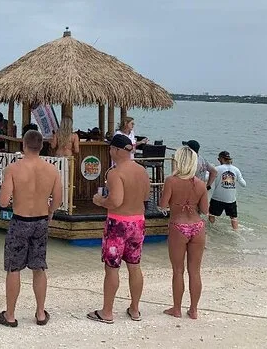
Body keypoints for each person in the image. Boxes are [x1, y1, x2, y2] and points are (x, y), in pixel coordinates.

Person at [0, 130, 63, 327]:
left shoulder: (13, 169)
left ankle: (10, 315)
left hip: (20, 221)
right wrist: (50, 211)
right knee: (39, 267)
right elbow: (58, 200)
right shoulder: (52, 170)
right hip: (41, 221)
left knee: (14, 268)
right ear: (41, 146)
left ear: (23, 145)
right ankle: (40, 313)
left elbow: (3, 201)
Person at [87, 134, 150, 324]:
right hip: (138, 221)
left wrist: (100, 201)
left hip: (118, 224)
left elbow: (115, 201)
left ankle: (107, 311)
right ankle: (135, 309)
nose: (109, 151)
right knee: (134, 266)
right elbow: (145, 197)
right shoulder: (142, 170)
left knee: (112, 268)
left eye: (110, 148)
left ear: (115, 150)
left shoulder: (115, 173)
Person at [159, 146, 209, 319]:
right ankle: (193, 310)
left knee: (178, 270)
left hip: (178, 226)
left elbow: (163, 205)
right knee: (195, 271)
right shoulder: (201, 184)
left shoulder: (171, 181)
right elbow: (205, 209)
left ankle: (177, 308)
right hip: (197, 226)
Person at [209, 151, 246, 230]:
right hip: (231, 199)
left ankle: (212, 230)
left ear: (221, 159)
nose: (218, 160)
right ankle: (236, 232)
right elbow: (243, 184)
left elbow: (206, 178)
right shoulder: (236, 169)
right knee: (233, 217)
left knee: (212, 214)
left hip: (217, 198)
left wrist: (208, 170)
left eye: (219, 159)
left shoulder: (217, 169)